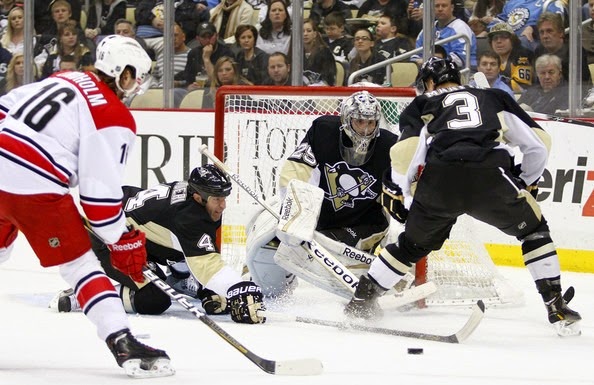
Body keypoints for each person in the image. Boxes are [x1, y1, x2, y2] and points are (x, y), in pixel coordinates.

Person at [343, 57, 582, 337]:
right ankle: (556, 305)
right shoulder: (493, 96)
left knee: (410, 246)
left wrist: (404, 194)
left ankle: (361, 301)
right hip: (489, 177)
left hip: (439, 182)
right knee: (534, 232)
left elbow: (405, 153)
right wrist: (526, 182)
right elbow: (540, 144)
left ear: (430, 83)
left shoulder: (421, 104)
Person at [0, 35, 175, 377]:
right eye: (135, 76)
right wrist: (119, 238)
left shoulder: (62, 78)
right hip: (35, 184)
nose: (135, 86)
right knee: (81, 267)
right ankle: (122, 341)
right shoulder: (113, 114)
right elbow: (99, 198)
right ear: (122, 73)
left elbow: (4, 107)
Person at [51, 165, 266, 325]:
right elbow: (206, 264)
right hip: (110, 240)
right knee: (155, 299)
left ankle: (180, 277)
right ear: (198, 197)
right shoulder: (188, 216)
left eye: (224, 197)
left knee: (205, 282)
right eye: (217, 198)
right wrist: (238, 288)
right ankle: (88, 293)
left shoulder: (199, 202)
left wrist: (220, 287)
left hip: (140, 234)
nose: (223, 204)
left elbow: (198, 248)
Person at [246, 90, 398, 298]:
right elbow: (295, 170)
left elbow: (403, 193)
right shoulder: (323, 130)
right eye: (360, 121)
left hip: (365, 223)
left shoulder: (390, 146)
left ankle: (375, 280)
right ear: (346, 119)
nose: (365, 129)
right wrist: (298, 216)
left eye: (371, 123)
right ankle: (269, 284)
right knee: (272, 239)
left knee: (330, 247)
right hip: (324, 215)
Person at [410, 0, 477, 69]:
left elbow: (460, 59)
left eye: (444, 6)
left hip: (461, 73)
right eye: (437, 6)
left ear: (452, 7)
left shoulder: (460, 28)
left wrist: (430, 62)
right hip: (432, 72)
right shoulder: (428, 29)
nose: (440, 9)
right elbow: (415, 56)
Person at [534, 12, 590, 84]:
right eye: (541, 32)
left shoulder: (574, 51)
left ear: (561, 32)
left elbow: (581, 84)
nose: (545, 36)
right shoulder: (539, 51)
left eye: (549, 31)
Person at [184, 21, 234, 91]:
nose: (207, 40)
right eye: (203, 37)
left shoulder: (226, 53)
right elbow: (188, 79)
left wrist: (206, 59)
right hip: (196, 92)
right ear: (198, 38)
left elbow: (217, 82)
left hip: (217, 91)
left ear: (216, 35)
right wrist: (190, 86)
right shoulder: (193, 54)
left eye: (210, 36)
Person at [488, 22, 534, 93]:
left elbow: (521, 87)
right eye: (495, 38)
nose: (499, 41)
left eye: (503, 37)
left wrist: (492, 84)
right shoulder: (491, 57)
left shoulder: (522, 55)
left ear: (512, 40)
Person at [303, 18, 336, 86]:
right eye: (302, 31)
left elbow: (329, 80)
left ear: (315, 34)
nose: (305, 34)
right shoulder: (295, 54)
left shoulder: (325, 53)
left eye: (309, 31)